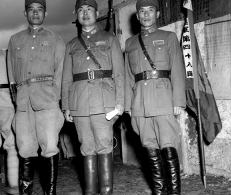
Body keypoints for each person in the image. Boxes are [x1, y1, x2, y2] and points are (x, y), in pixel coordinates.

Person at [61, 0, 124, 194]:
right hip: (79, 103)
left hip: (104, 102)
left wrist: (120, 101)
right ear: (76, 15)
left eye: (89, 9)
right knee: (86, 147)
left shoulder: (109, 39)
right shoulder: (71, 45)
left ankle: (105, 192)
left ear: (97, 13)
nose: (85, 13)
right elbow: (66, 79)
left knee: (104, 145)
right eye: (81, 10)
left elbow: (120, 73)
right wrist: (66, 106)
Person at [124, 0, 186, 194]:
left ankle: (174, 192)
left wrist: (178, 101)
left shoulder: (168, 37)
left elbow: (177, 69)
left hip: (163, 99)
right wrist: (128, 106)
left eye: (150, 10)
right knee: (149, 148)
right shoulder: (130, 43)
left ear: (157, 14)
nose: (146, 15)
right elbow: (127, 76)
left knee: (168, 146)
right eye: (142, 11)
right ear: (137, 16)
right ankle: (159, 192)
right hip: (139, 103)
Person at [7, 0, 65, 194]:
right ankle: (26, 192)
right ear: (25, 13)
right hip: (23, 103)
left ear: (45, 14)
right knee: (24, 147)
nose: (35, 13)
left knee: (49, 147)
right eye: (31, 9)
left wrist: (54, 97)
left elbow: (60, 73)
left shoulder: (56, 40)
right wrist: (18, 99)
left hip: (48, 101)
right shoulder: (15, 40)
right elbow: (12, 77)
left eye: (40, 10)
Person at [0, 49, 19, 195]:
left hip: (7, 97)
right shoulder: (7, 54)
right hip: (6, 98)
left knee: (11, 143)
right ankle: (13, 185)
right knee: (11, 143)